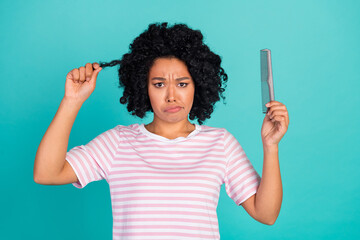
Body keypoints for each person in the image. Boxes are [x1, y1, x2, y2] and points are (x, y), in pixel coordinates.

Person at [34, 22, 289, 240]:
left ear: (197, 85)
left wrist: (271, 146)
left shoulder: (220, 143)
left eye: (182, 83)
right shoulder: (118, 142)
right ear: (143, 87)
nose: (171, 96)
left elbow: (265, 214)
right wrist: (72, 101)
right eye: (158, 84)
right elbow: (46, 173)